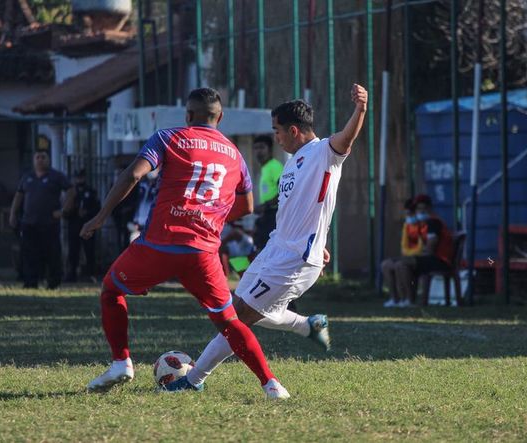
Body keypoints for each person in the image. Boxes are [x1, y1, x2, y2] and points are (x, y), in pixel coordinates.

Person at [80, 88, 288, 399]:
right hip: (203, 252)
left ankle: (121, 362)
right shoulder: (235, 155)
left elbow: (133, 175)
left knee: (111, 290)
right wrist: (210, 219)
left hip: (159, 245)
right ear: (220, 117)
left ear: (188, 115)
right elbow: (246, 206)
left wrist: (100, 215)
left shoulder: (168, 137)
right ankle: (271, 384)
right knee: (229, 321)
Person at [165, 84, 368, 395]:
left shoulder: (324, 152)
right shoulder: (292, 161)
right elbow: (306, 208)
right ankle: (308, 325)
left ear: (295, 130)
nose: (276, 137)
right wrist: (319, 239)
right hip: (276, 248)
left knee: (238, 318)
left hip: (295, 259)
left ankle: (193, 381)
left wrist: (360, 109)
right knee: (238, 310)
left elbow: (347, 138)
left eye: (277, 131)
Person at [9, 149, 75, 289]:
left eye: (43, 157)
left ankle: (53, 283)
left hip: (49, 223)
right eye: (37, 157)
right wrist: (13, 214)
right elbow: (19, 196)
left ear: (48, 159)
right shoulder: (27, 177)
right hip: (29, 223)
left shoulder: (56, 176)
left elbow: (71, 191)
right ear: (33, 160)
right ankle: (30, 282)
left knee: (52, 254)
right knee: (29, 254)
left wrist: (63, 211)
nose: (40, 160)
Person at [392, 194, 455, 305]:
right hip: (431, 259)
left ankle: (410, 300)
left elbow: (430, 249)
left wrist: (417, 255)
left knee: (402, 264)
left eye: (423, 208)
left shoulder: (433, 222)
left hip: (440, 260)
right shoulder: (423, 224)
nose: (420, 211)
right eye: (418, 209)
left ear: (430, 208)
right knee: (400, 263)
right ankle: (404, 299)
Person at [381, 198, 424, 307]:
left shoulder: (423, 225)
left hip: (420, 257)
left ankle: (409, 299)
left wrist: (408, 255)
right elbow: (404, 247)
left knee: (401, 265)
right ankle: (395, 299)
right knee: (386, 265)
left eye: (410, 214)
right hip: (409, 256)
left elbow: (421, 248)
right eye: (406, 214)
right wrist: (407, 254)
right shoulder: (407, 226)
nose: (408, 217)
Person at [66, 169, 100, 282]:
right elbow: (66, 210)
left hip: (87, 225)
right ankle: (72, 274)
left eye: (81, 177)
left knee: (89, 250)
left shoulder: (91, 191)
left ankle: (91, 274)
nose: (79, 180)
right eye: (77, 177)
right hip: (74, 225)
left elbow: (97, 208)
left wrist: (88, 213)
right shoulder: (71, 192)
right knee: (73, 251)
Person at [252, 135, 283, 250]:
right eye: (256, 148)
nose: (258, 151)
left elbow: (284, 191)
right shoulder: (264, 168)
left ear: (269, 150)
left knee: (266, 248)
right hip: (267, 214)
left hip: (274, 214)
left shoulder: (275, 166)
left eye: (261, 147)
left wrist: (265, 206)